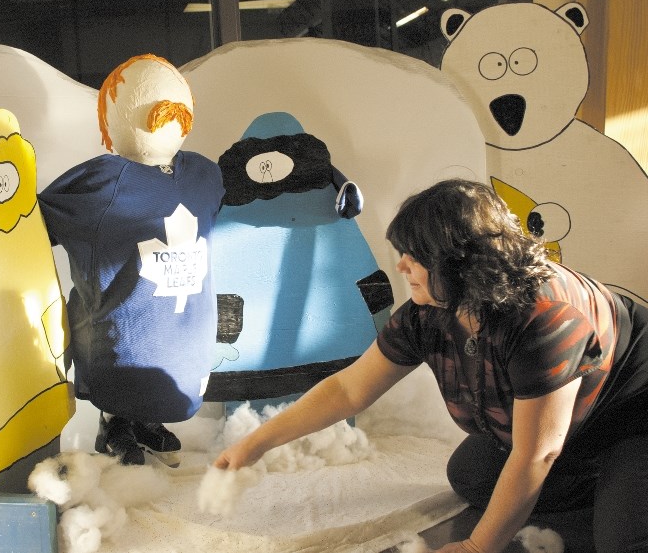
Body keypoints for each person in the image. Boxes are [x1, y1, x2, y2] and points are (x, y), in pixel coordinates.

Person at [213, 178, 648, 553]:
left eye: (414, 257)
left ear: (462, 263)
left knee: (621, 542)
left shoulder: (543, 320)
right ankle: (602, 482)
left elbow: (539, 451)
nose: (400, 266)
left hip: (633, 411)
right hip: (568, 413)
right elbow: (349, 390)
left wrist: (479, 545)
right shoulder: (430, 309)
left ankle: (619, 479)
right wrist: (257, 443)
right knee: (472, 478)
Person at [39, 55, 225, 466]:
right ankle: (116, 423)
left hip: (184, 329)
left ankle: (145, 421)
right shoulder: (99, 186)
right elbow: (33, 221)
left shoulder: (202, 175)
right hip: (120, 328)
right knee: (127, 370)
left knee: (168, 376)